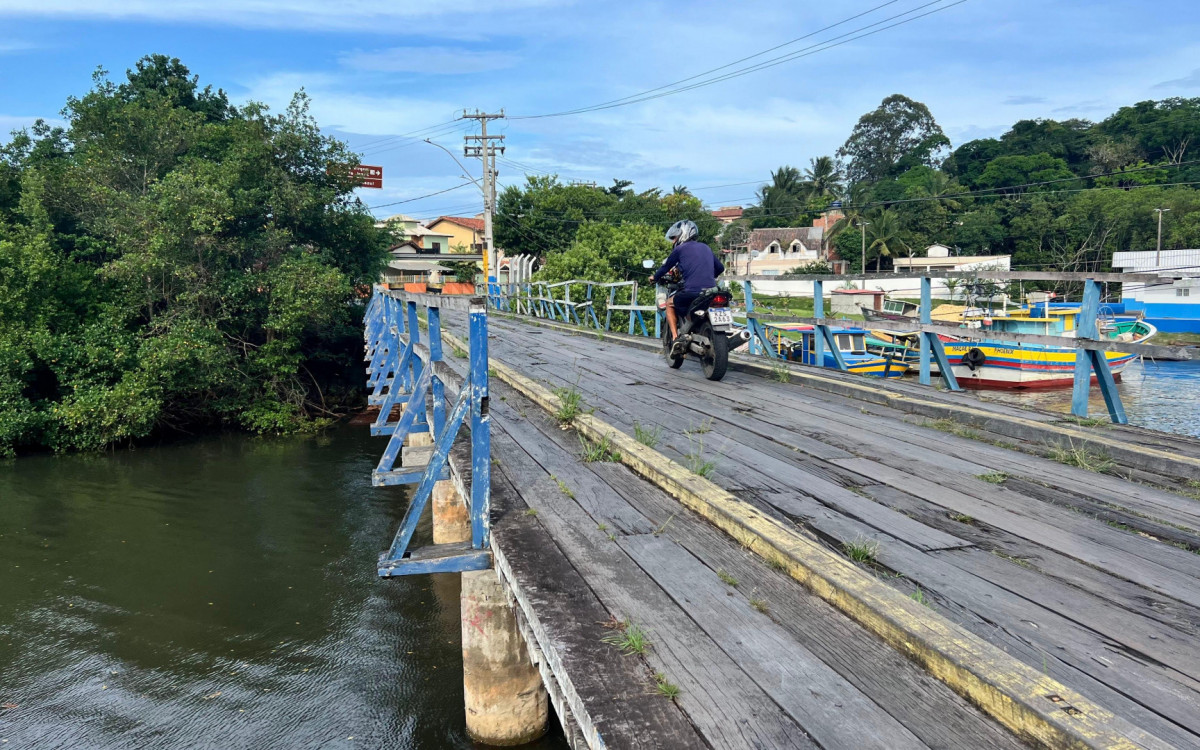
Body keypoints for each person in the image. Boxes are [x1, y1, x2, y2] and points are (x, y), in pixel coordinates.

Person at [649, 219, 725, 353]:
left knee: (669, 304)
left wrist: (654, 277)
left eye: (674, 237)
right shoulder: (706, 247)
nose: (673, 241)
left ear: (683, 234)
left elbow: (666, 267)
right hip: (711, 291)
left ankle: (676, 338)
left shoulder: (680, 249)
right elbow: (720, 268)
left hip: (692, 291)